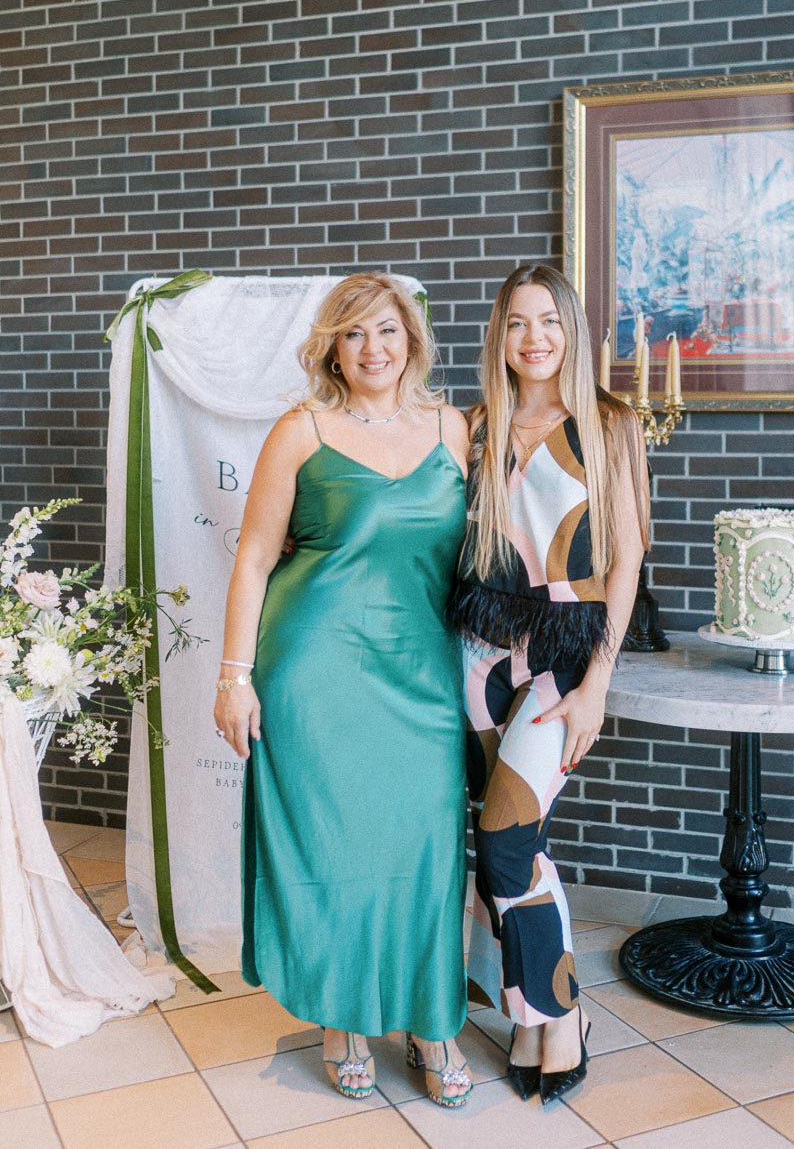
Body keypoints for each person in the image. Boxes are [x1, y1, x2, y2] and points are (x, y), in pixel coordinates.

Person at [214, 273, 474, 1108]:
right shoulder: (301, 431)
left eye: (388, 331)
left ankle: (432, 1020)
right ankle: (341, 1017)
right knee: (331, 851)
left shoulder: (453, 428)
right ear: (332, 345)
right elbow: (255, 558)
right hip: (314, 669)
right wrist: (235, 677)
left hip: (423, 672)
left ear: (413, 340)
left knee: (426, 848)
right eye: (355, 334)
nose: (374, 349)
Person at [448, 263, 650, 1105]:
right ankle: (532, 1017)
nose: (534, 338)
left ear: (572, 331)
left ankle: (563, 1017)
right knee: (503, 846)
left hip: (567, 647)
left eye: (550, 322)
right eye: (518, 324)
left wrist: (598, 680)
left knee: (505, 839)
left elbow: (630, 550)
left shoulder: (608, 422)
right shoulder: (475, 424)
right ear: (500, 335)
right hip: (479, 648)